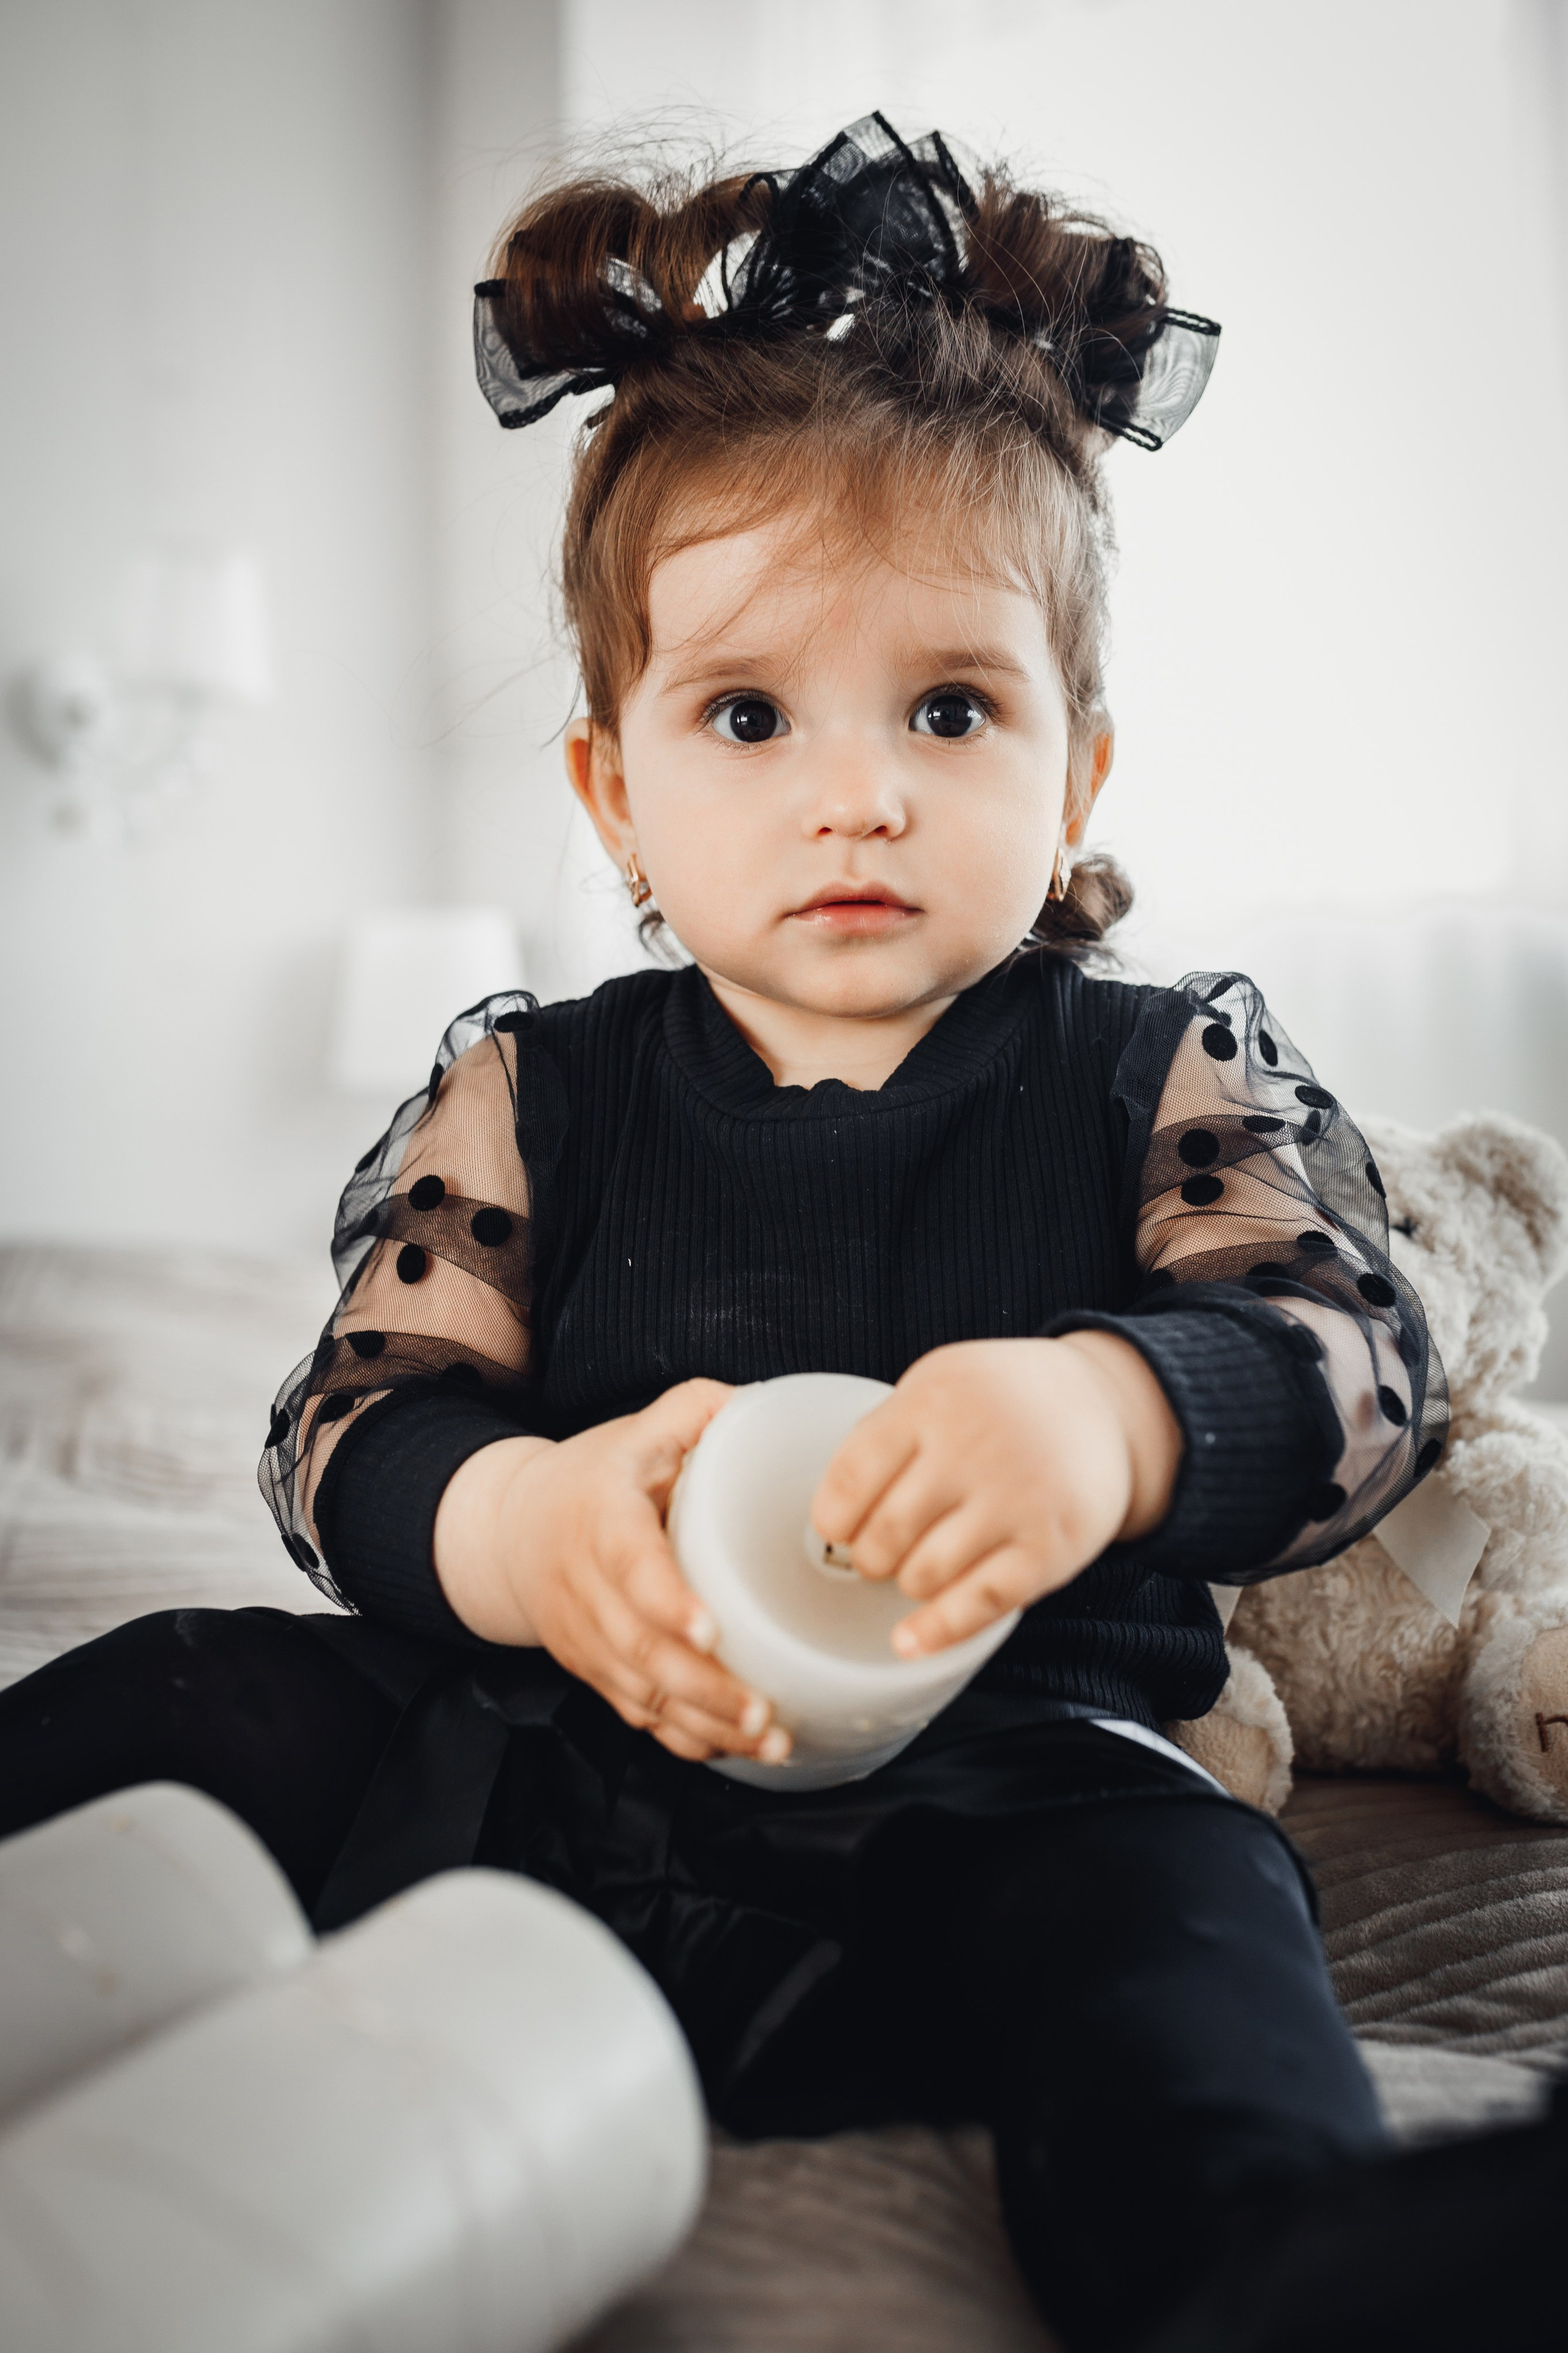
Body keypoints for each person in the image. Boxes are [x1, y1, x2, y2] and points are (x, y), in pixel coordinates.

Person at [1, 115, 1562, 2352]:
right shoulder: (545, 1087)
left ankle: (1284, 2260)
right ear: (616, 787)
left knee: (1194, 1924)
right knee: (201, 1688)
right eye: (748, 711)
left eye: (951, 706)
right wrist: (524, 1526)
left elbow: (1353, 1351)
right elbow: (358, 1419)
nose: (860, 788)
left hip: (1016, 1797)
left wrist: (1110, 1411)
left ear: (1079, 769)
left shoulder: (1156, 1075)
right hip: (544, 1765)